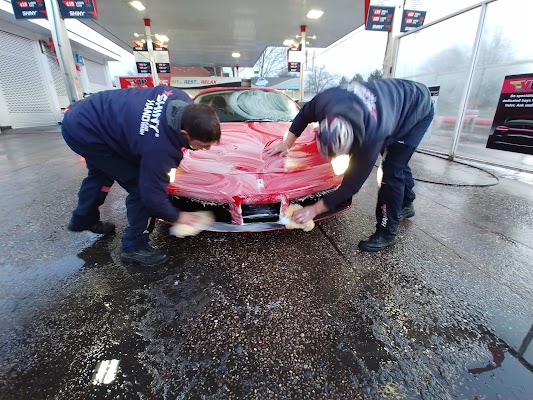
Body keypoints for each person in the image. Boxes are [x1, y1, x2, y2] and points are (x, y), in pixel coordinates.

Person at [264, 78, 434, 252]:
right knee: (396, 159)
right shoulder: (325, 100)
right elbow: (304, 114)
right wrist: (286, 144)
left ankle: (387, 232)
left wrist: (314, 209)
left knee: (391, 169)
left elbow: (351, 186)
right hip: (393, 101)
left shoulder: (373, 135)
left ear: (354, 141)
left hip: (417, 107)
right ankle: (407, 203)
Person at [62, 85, 221, 266]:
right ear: (184, 134)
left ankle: (83, 218)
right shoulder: (161, 149)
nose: (207, 149)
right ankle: (134, 247)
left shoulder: (180, 97)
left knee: (102, 173)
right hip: (86, 131)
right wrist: (178, 216)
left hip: (86, 113)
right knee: (140, 188)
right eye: (204, 144)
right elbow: (152, 195)